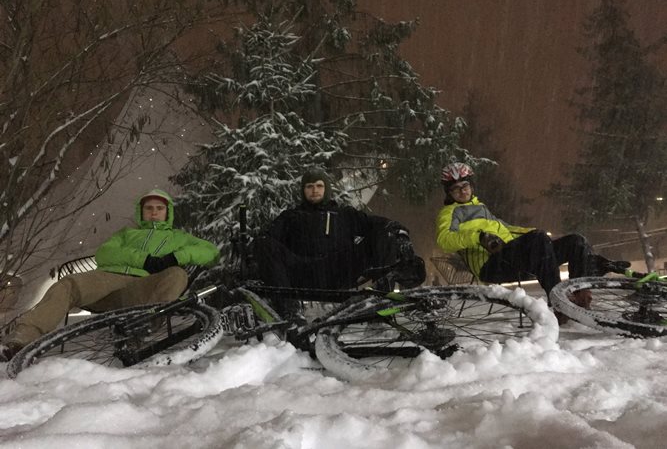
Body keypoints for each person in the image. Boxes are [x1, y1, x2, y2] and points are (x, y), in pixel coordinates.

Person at [0, 189, 220, 362]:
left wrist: (177, 256)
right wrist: (143, 260)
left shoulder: (179, 237)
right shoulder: (127, 234)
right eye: (149, 208)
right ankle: (20, 341)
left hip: (142, 289)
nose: (154, 212)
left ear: (168, 212)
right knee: (68, 284)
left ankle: (140, 330)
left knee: (177, 274)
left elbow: (211, 253)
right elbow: (104, 254)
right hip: (107, 283)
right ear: (141, 211)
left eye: (159, 208)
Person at [434, 163, 629, 322]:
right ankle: (559, 302)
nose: (462, 191)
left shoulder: (481, 208)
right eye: (456, 189)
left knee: (575, 241)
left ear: (472, 186)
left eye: (465, 186)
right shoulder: (449, 213)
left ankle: (581, 298)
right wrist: (477, 237)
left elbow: (509, 229)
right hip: (490, 265)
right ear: (448, 193)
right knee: (538, 239)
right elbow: (444, 240)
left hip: (512, 256)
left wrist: (540, 236)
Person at [253, 168, 426, 299]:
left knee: (384, 232)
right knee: (263, 243)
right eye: (309, 186)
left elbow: (378, 224)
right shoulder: (291, 216)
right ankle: (289, 312)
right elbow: (268, 239)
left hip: (338, 269)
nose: (314, 190)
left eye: (319, 186)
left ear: (326, 189)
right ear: (303, 190)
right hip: (302, 271)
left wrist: (399, 234)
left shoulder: (344, 215)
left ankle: (381, 300)